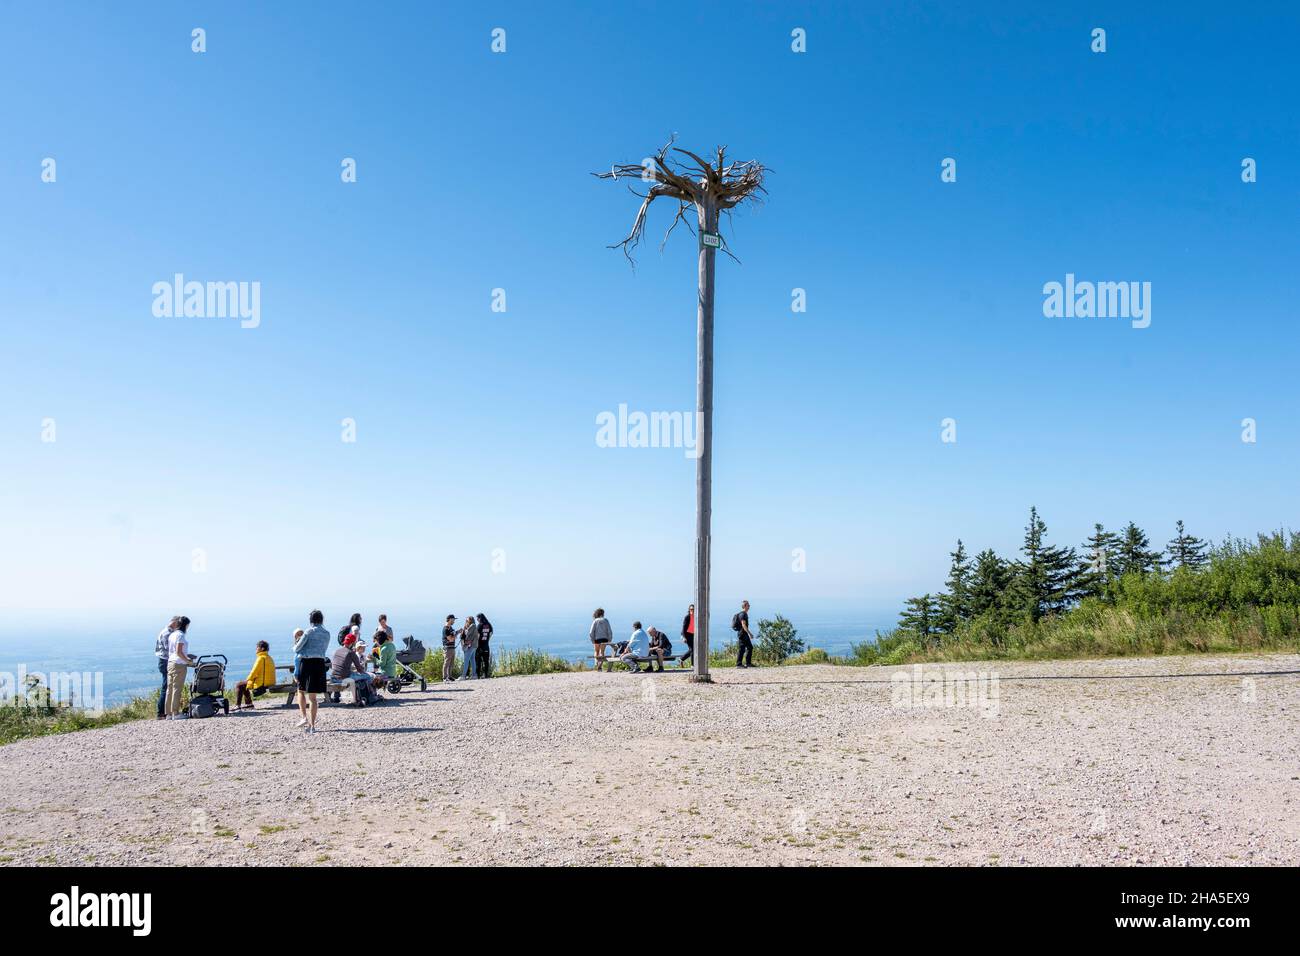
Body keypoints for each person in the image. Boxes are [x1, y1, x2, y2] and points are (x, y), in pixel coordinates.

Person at [295, 610, 331, 732]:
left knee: (301, 690)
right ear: (322, 619)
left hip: (307, 663)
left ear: (311, 620)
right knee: (313, 697)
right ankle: (313, 726)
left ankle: (304, 717)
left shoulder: (308, 632)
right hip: (319, 664)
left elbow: (297, 648)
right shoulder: (327, 633)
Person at [164, 616, 196, 719]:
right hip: (179, 665)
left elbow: (174, 651)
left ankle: (168, 713)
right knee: (177, 688)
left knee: (170, 688)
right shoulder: (181, 636)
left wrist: (187, 655)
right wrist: (188, 661)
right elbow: (178, 652)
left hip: (171, 663)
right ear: (186, 625)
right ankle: (176, 713)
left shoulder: (172, 635)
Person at [330, 634, 374, 704]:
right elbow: (360, 670)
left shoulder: (337, 651)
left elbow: (337, 666)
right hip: (344, 679)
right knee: (368, 676)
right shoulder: (351, 653)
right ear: (352, 643)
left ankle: (336, 696)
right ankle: (370, 695)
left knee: (342, 673)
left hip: (333, 678)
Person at [234, 640, 276, 710]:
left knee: (239, 684)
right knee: (245, 684)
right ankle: (249, 704)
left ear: (262, 648)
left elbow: (254, 672)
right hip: (269, 681)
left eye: (257, 647)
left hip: (263, 683)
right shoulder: (268, 657)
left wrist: (248, 679)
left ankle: (238, 705)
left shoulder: (261, 658)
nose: (256, 649)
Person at [154, 616, 180, 720]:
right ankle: (161, 712)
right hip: (165, 662)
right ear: (175, 623)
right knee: (166, 687)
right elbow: (169, 650)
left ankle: (166, 711)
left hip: (164, 661)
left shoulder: (165, 632)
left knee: (167, 687)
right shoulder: (167, 634)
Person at [734, 600, 755, 668]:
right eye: (748, 605)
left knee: (749, 647)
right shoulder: (743, 614)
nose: (749, 606)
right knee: (742, 648)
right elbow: (743, 625)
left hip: (743, 633)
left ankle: (748, 663)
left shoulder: (743, 614)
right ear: (745, 606)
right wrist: (749, 633)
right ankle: (739, 664)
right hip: (743, 633)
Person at [459, 614, 480, 680]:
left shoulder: (472, 626)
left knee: (466, 660)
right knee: (472, 660)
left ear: (470, 620)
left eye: (467, 620)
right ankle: (474, 675)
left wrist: (464, 630)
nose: (466, 622)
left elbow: (467, 634)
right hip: (474, 645)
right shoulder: (474, 626)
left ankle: (463, 676)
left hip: (470, 646)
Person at [475, 613, 493, 679]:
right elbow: (491, 633)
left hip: (479, 646)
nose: (477, 619)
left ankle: (478, 675)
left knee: (478, 661)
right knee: (486, 661)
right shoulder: (489, 625)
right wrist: (487, 640)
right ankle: (486, 674)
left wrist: (477, 644)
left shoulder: (479, 625)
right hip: (486, 645)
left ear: (480, 618)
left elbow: (477, 636)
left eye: (477, 618)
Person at [441, 615, 458, 682]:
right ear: (450, 619)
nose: (454, 621)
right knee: (446, 663)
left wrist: (457, 633)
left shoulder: (451, 628)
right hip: (447, 648)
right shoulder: (445, 629)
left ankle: (449, 676)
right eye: (453, 619)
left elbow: (454, 637)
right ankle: (444, 677)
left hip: (452, 647)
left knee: (451, 663)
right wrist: (455, 636)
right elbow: (450, 639)